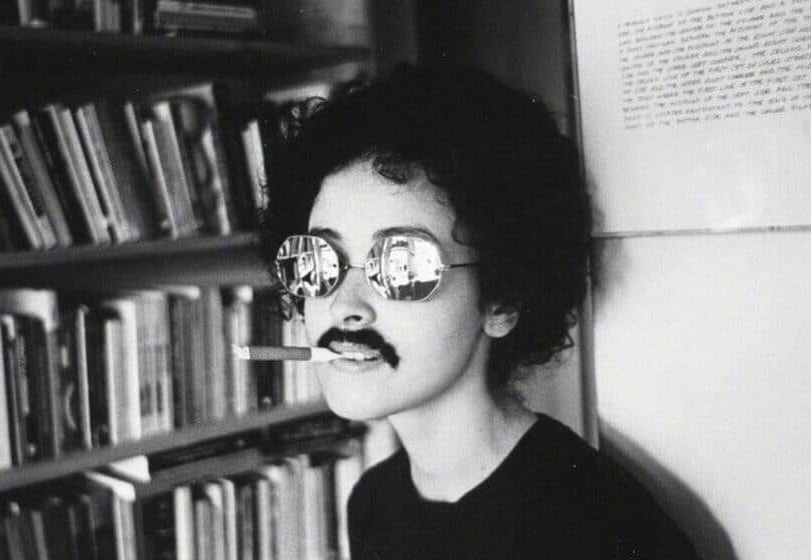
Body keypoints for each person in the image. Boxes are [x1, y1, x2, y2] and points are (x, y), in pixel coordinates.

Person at [259, 65, 700, 559]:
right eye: (321, 259)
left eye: (404, 265)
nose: (345, 306)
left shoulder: (594, 526)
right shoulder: (373, 504)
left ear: (501, 300)